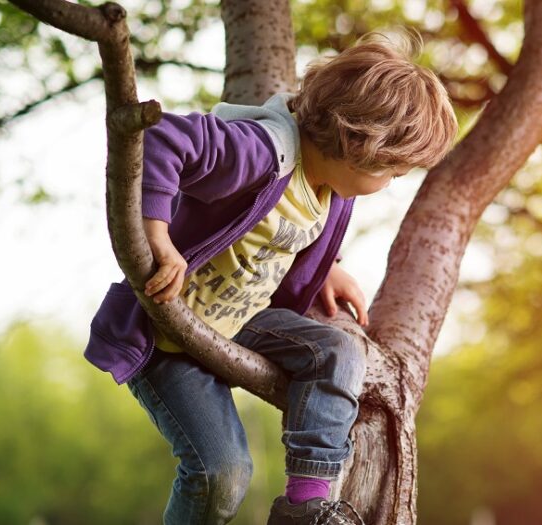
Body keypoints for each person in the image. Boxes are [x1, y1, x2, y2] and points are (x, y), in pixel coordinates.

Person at [83, 28, 458, 525]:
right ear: (360, 145)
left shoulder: (328, 186)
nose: (392, 183)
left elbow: (289, 229)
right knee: (222, 474)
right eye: (393, 171)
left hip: (242, 320)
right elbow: (161, 139)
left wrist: (332, 268)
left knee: (339, 352)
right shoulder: (260, 151)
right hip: (167, 338)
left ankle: (305, 504)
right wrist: (157, 238)